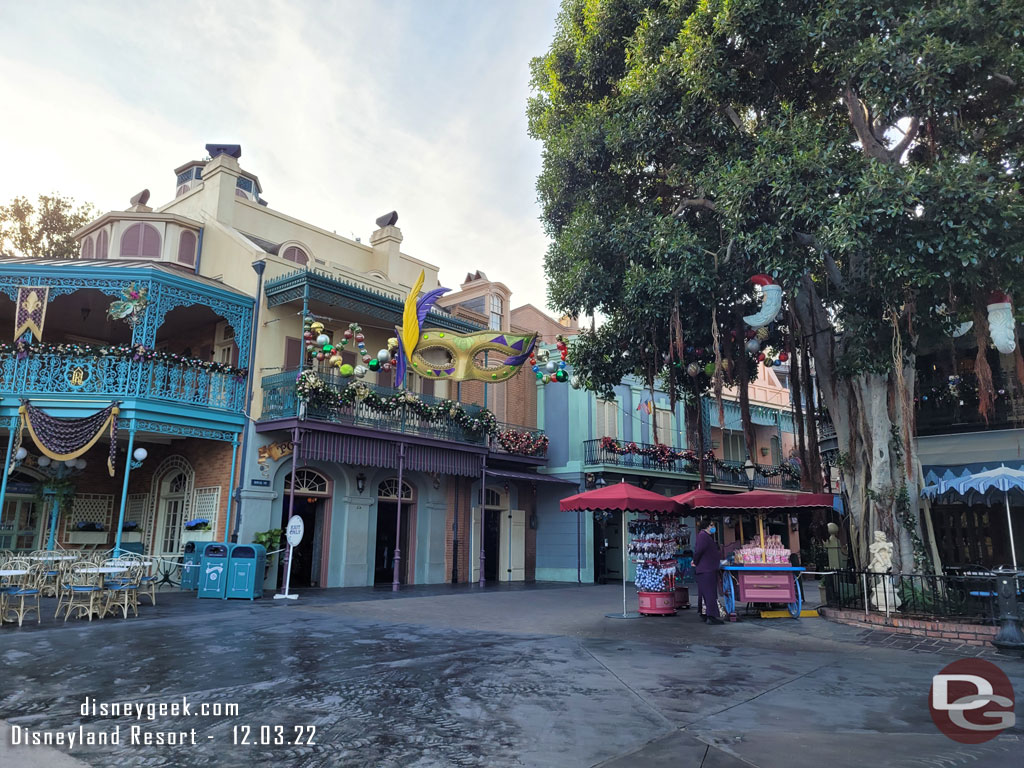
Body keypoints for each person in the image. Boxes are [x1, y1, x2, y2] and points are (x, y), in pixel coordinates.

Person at [692, 518, 724, 624]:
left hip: (707, 568)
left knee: (705, 593)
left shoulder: (706, 536)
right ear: (706, 526)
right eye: (711, 525)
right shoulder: (703, 536)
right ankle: (711, 615)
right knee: (709, 593)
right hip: (706, 569)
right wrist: (695, 561)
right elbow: (698, 551)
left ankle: (705, 613)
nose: (713, 527)